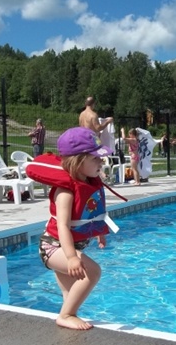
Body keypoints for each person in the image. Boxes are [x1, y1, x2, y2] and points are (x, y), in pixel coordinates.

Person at [27, 127, 114, 331]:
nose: (101, 162)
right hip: (54, 247)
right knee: (92, 272)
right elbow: (63, 226)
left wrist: (100, 231)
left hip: (70, 246)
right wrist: (72, 257)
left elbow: (92, 212)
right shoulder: (65, 190)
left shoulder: (88, 183)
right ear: (78, 160)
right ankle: (65, 316)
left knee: (70, 295)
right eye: (95, 159)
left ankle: (67, 315)